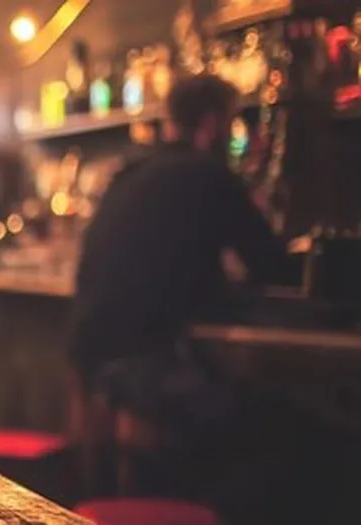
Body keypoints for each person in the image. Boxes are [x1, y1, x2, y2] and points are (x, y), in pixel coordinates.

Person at [69, 75, 346, 524]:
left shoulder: (130, 174)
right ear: (214, 123)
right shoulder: (208, 174)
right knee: (295, 431)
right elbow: (271, 264)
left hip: (95, 360)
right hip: (139, 365)